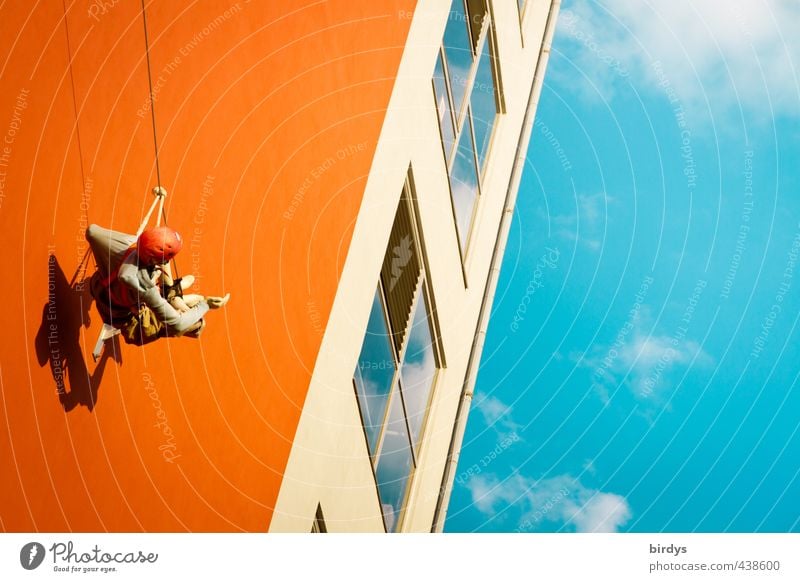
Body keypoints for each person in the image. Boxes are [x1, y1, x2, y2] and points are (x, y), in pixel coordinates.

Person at [86, 222, 229, 343]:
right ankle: (172, 295)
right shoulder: (145, 288)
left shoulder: (127, 245)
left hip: (98, 286)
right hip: (120, 316)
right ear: (152, 259)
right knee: (197, 325)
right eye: (165, 259)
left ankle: (171, 294)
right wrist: (206, 305)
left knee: (188, 291)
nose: (167, 262)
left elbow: (92, 231)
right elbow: (178, 325)